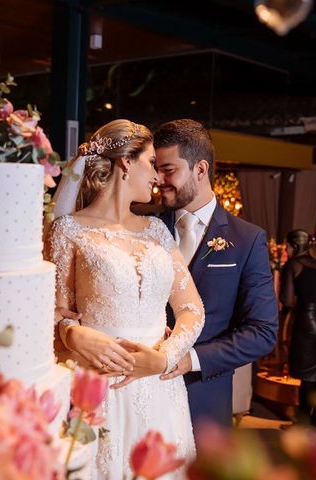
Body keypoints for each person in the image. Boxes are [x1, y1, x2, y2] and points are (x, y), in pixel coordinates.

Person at [46, 119, 203, 479]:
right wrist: (73, 332)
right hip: (101, 387)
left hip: (162, 392)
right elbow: (50, 313)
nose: (158, 177)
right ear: (125, 163)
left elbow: (192, 309)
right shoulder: (68, 230)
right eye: (151, 163)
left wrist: (163, 359)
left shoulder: (157, 231)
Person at [153, 119, 278, 428]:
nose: (158, 179)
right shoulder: (146, 227)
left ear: (200, 169)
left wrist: (191, 359)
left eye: (169, 170)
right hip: (143, 393)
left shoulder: (247, 239)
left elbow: (262, 332)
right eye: (156, 169)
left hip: (203, 398)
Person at [281, 229, 316, 427]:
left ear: (295, 246)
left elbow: (287, 301)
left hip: (308, 323)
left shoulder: (293, 265)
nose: (285, 249)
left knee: (307, 377)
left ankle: (304, 425)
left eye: (287, 245)